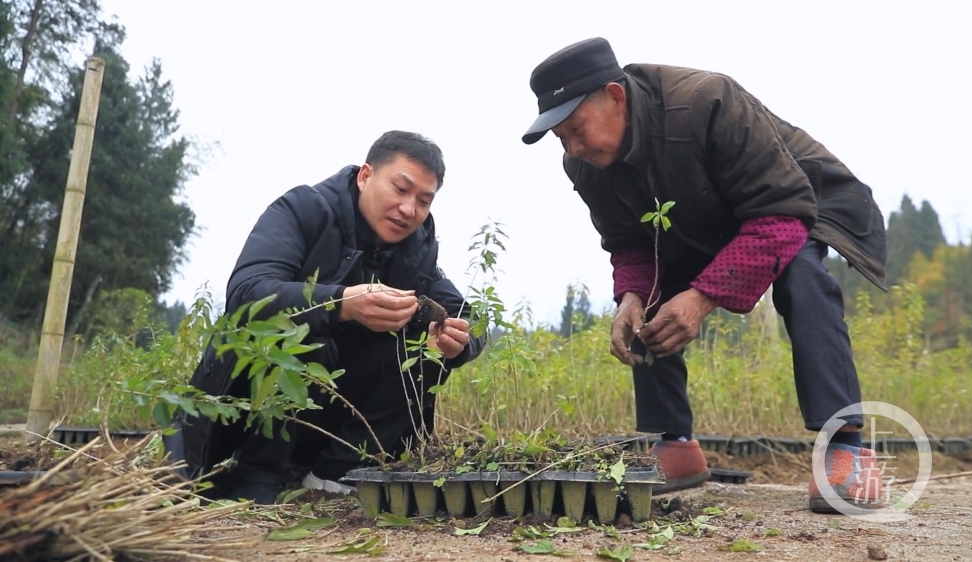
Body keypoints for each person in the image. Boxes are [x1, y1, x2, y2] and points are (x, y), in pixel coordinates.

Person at [522, 38, 887, 513]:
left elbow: (781, 215)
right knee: (649, 302)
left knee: (802, 277)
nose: (572, 147)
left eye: (576, 128)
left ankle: (847, 448)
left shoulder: (706, 102)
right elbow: (633, 242)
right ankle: (674, 445)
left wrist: (700, 297)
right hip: (704, 219)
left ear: (615, 97)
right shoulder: (586, 163)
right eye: (561, 138)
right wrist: (631, 297)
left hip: (800, 199)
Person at [174, 131, 484, 504]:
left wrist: (459, 342)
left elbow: (469, 319)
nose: (408, 209)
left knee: (428, 351)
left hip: (331, 408)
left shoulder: (416, 253)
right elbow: (246, 293)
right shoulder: (304, 209)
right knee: (308, 335)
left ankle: (334, 474)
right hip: (243, 410)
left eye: (423, 201)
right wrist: (339, 303)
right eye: (400, 189)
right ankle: (256, 474)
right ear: (365, 176)